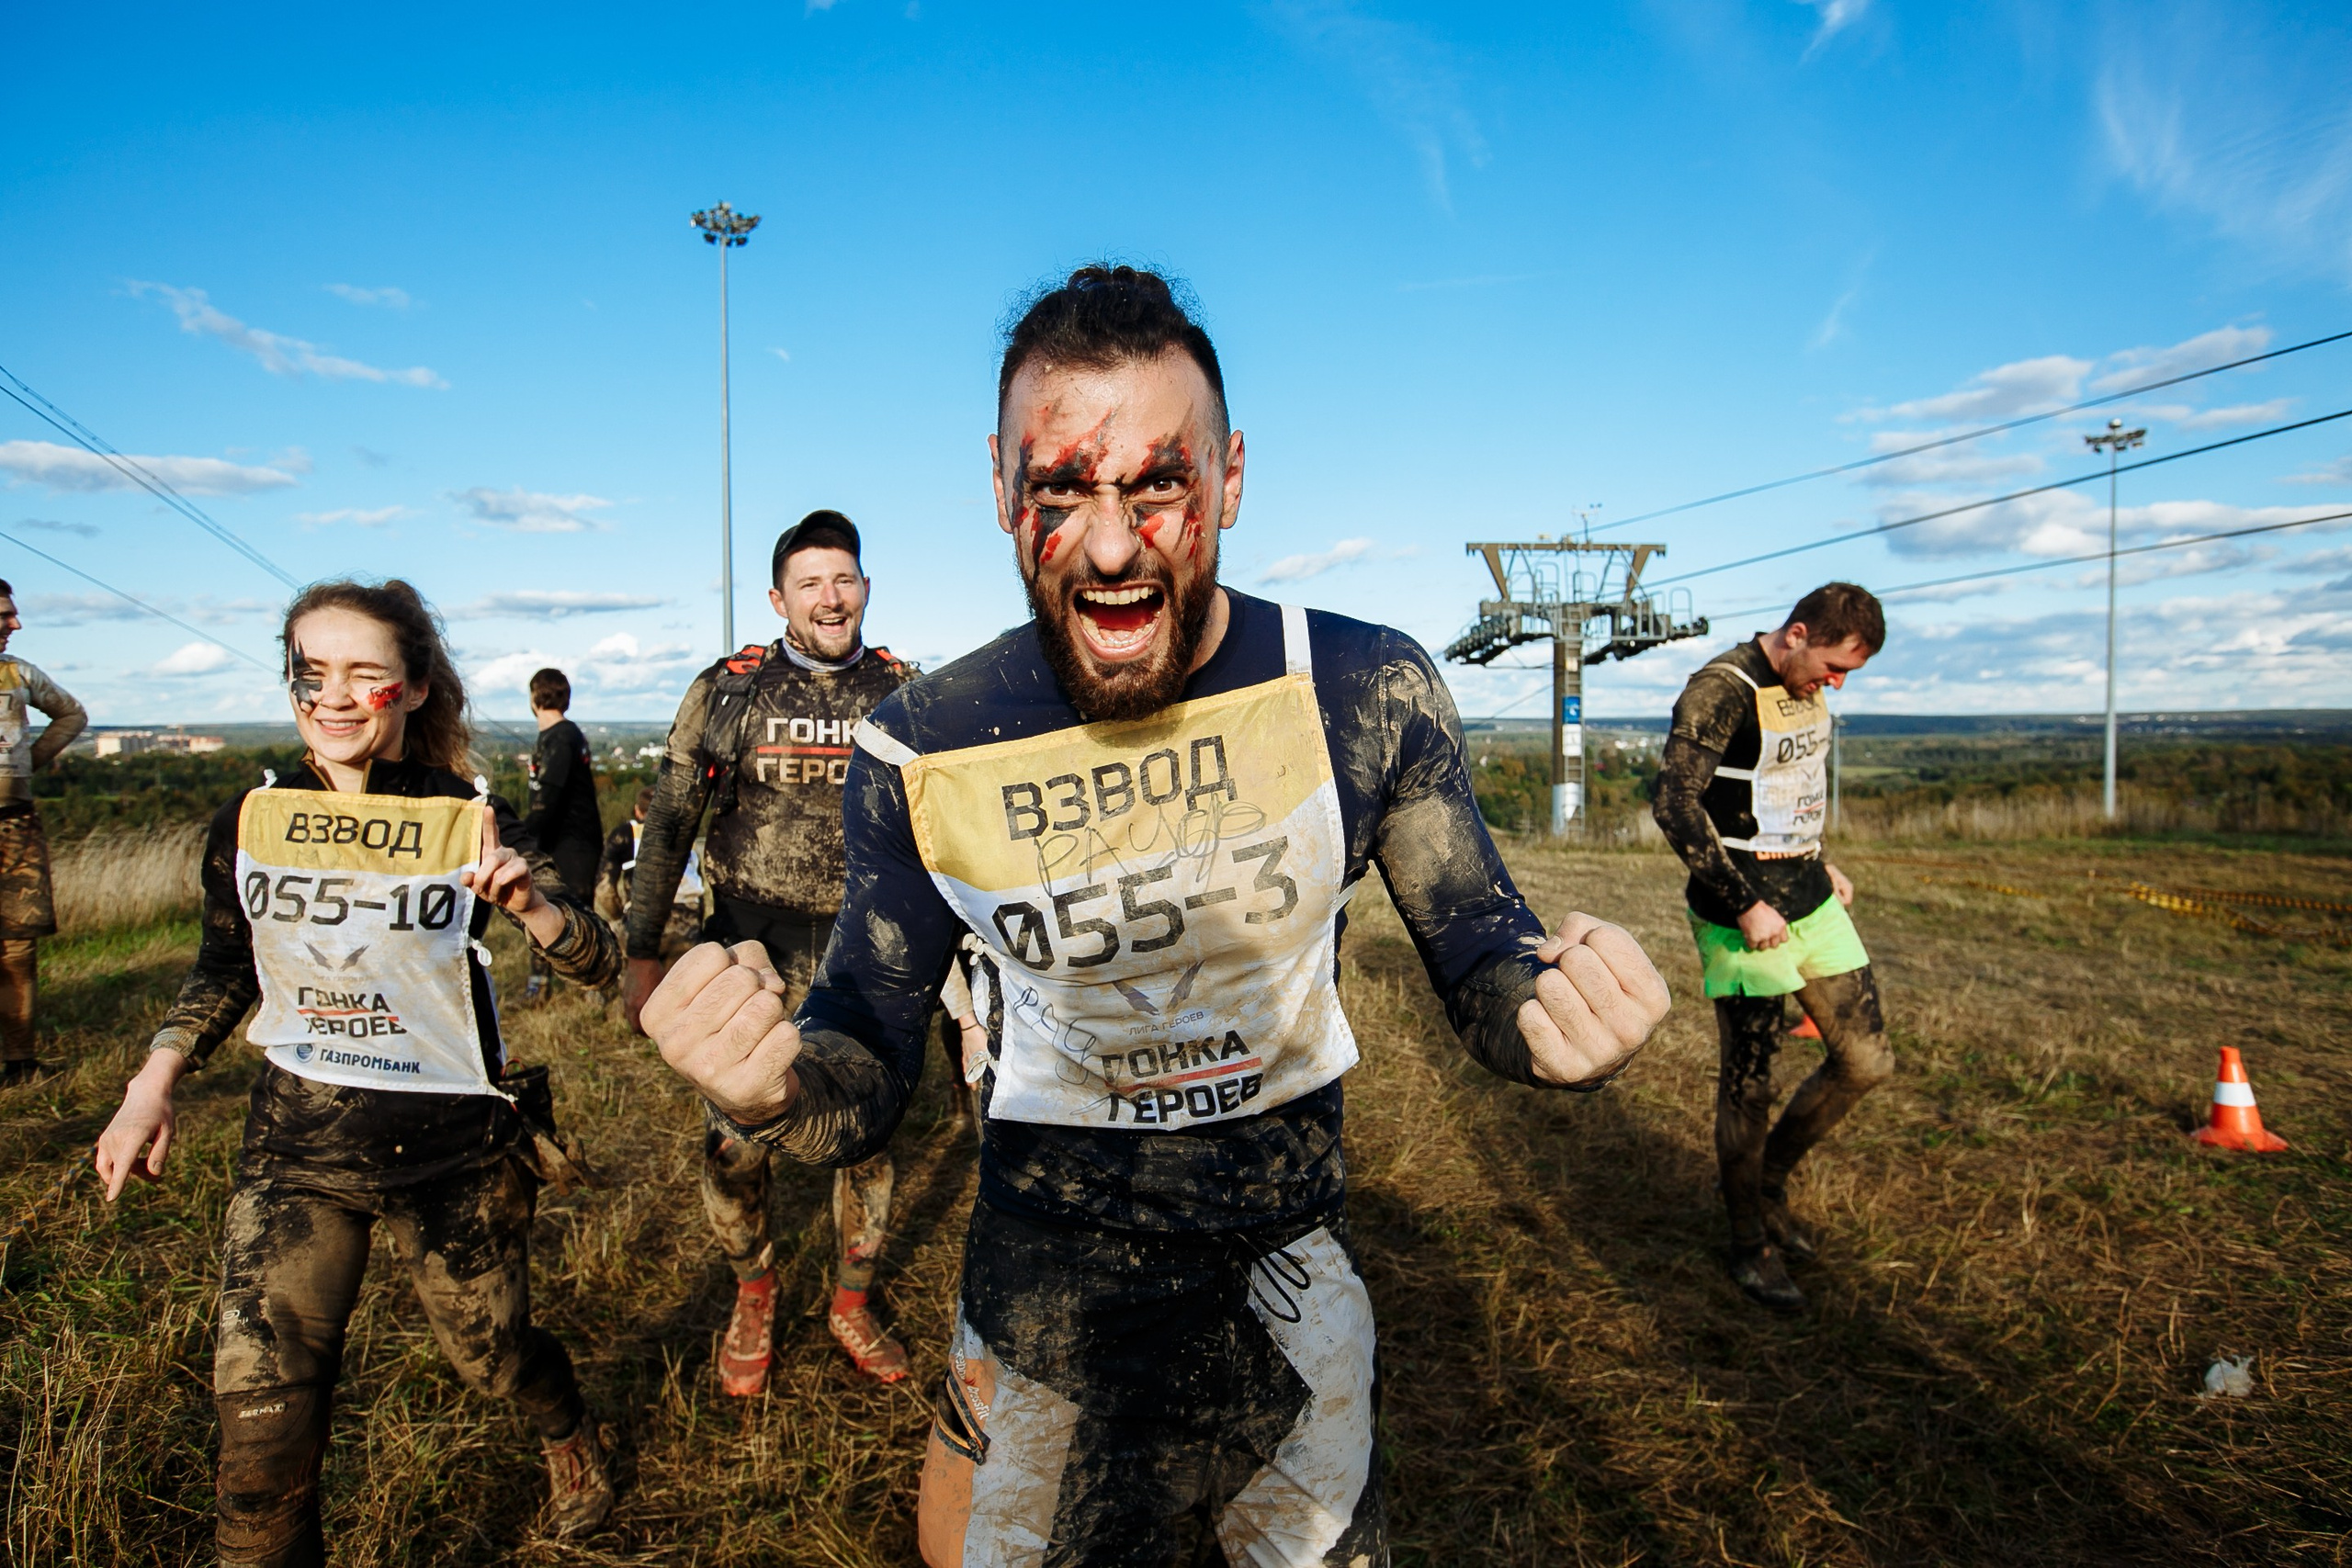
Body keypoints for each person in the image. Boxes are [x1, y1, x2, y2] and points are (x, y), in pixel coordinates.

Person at [639, 265, 1671, 1563]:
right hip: (1039, 1285)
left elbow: (1477, 948)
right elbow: (865, 1042)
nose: (1113, 543)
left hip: (1285, 1274)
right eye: (1062, 488)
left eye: (1159, 483)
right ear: (1005, 491)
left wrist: (1550, 1015)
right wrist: (771, 1083)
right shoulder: (925, 741)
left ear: (1231, 477)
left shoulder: (1360, 689)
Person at [91, 580, 623, 1564]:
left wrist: (531, 908)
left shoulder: (466, 815)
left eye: (364, 675)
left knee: (497, 1359)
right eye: (312, 673)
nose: (334, 697)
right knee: (258, 1426)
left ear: (413, 690)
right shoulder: (249, 819)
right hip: (300, 1145)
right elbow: (223, 968)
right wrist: (149, 1085)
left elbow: (597, 960)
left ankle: (566, 1429)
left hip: (451, 1151)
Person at [623, 511, 920, 1393]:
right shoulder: (729, 691)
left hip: (866, 959)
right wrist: (643, 954)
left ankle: (851, 1301)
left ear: (865, 587)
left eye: (845, 579)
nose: (831, 598)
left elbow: (948, 830)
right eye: (811, 583)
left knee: (866, 1142)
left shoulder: (905, 692)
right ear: (778, 598)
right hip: (750, 947)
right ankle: (754, 1291)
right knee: (737, 1144)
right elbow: (670, 822)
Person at [1650, 581, 1892, 1314]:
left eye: (1848, 673)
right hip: (1740, 912)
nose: (1837, 683)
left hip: (1809, 892)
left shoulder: (1802, 683)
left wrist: (1818, 853)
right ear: (1796, 634)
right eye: (1833, 665)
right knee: (1749, 1083)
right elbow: (1672, 803)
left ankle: (1769, 1183)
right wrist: (1744, 902)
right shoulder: (1719, 690)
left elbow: (1788, 782)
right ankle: (1748, 1239)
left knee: (1867, 1058)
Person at [0, 581, 87, 1086]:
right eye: (5, 615)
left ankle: (19, 1061)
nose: (16, 624)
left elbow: (72, 714)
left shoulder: (17, 672)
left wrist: (25, 765)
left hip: (14, 824)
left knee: (17, 946)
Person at [521, 667, 602, 1006]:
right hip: (566, 841)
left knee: (575, 910)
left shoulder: (561, 738)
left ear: (535, 698)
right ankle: (541, 984)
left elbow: (547, 800)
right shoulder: (560, 736)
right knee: (542, 910)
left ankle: (592, 985)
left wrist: (521, 838)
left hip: (572, 843)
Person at [595, 784, 706, 963]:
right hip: (687, 924)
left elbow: (604, 889)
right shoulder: (687, 836)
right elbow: (700, 890)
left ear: (638, 811)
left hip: (642, 924)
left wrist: (619, 915)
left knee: (638, 984)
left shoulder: (627, 834)